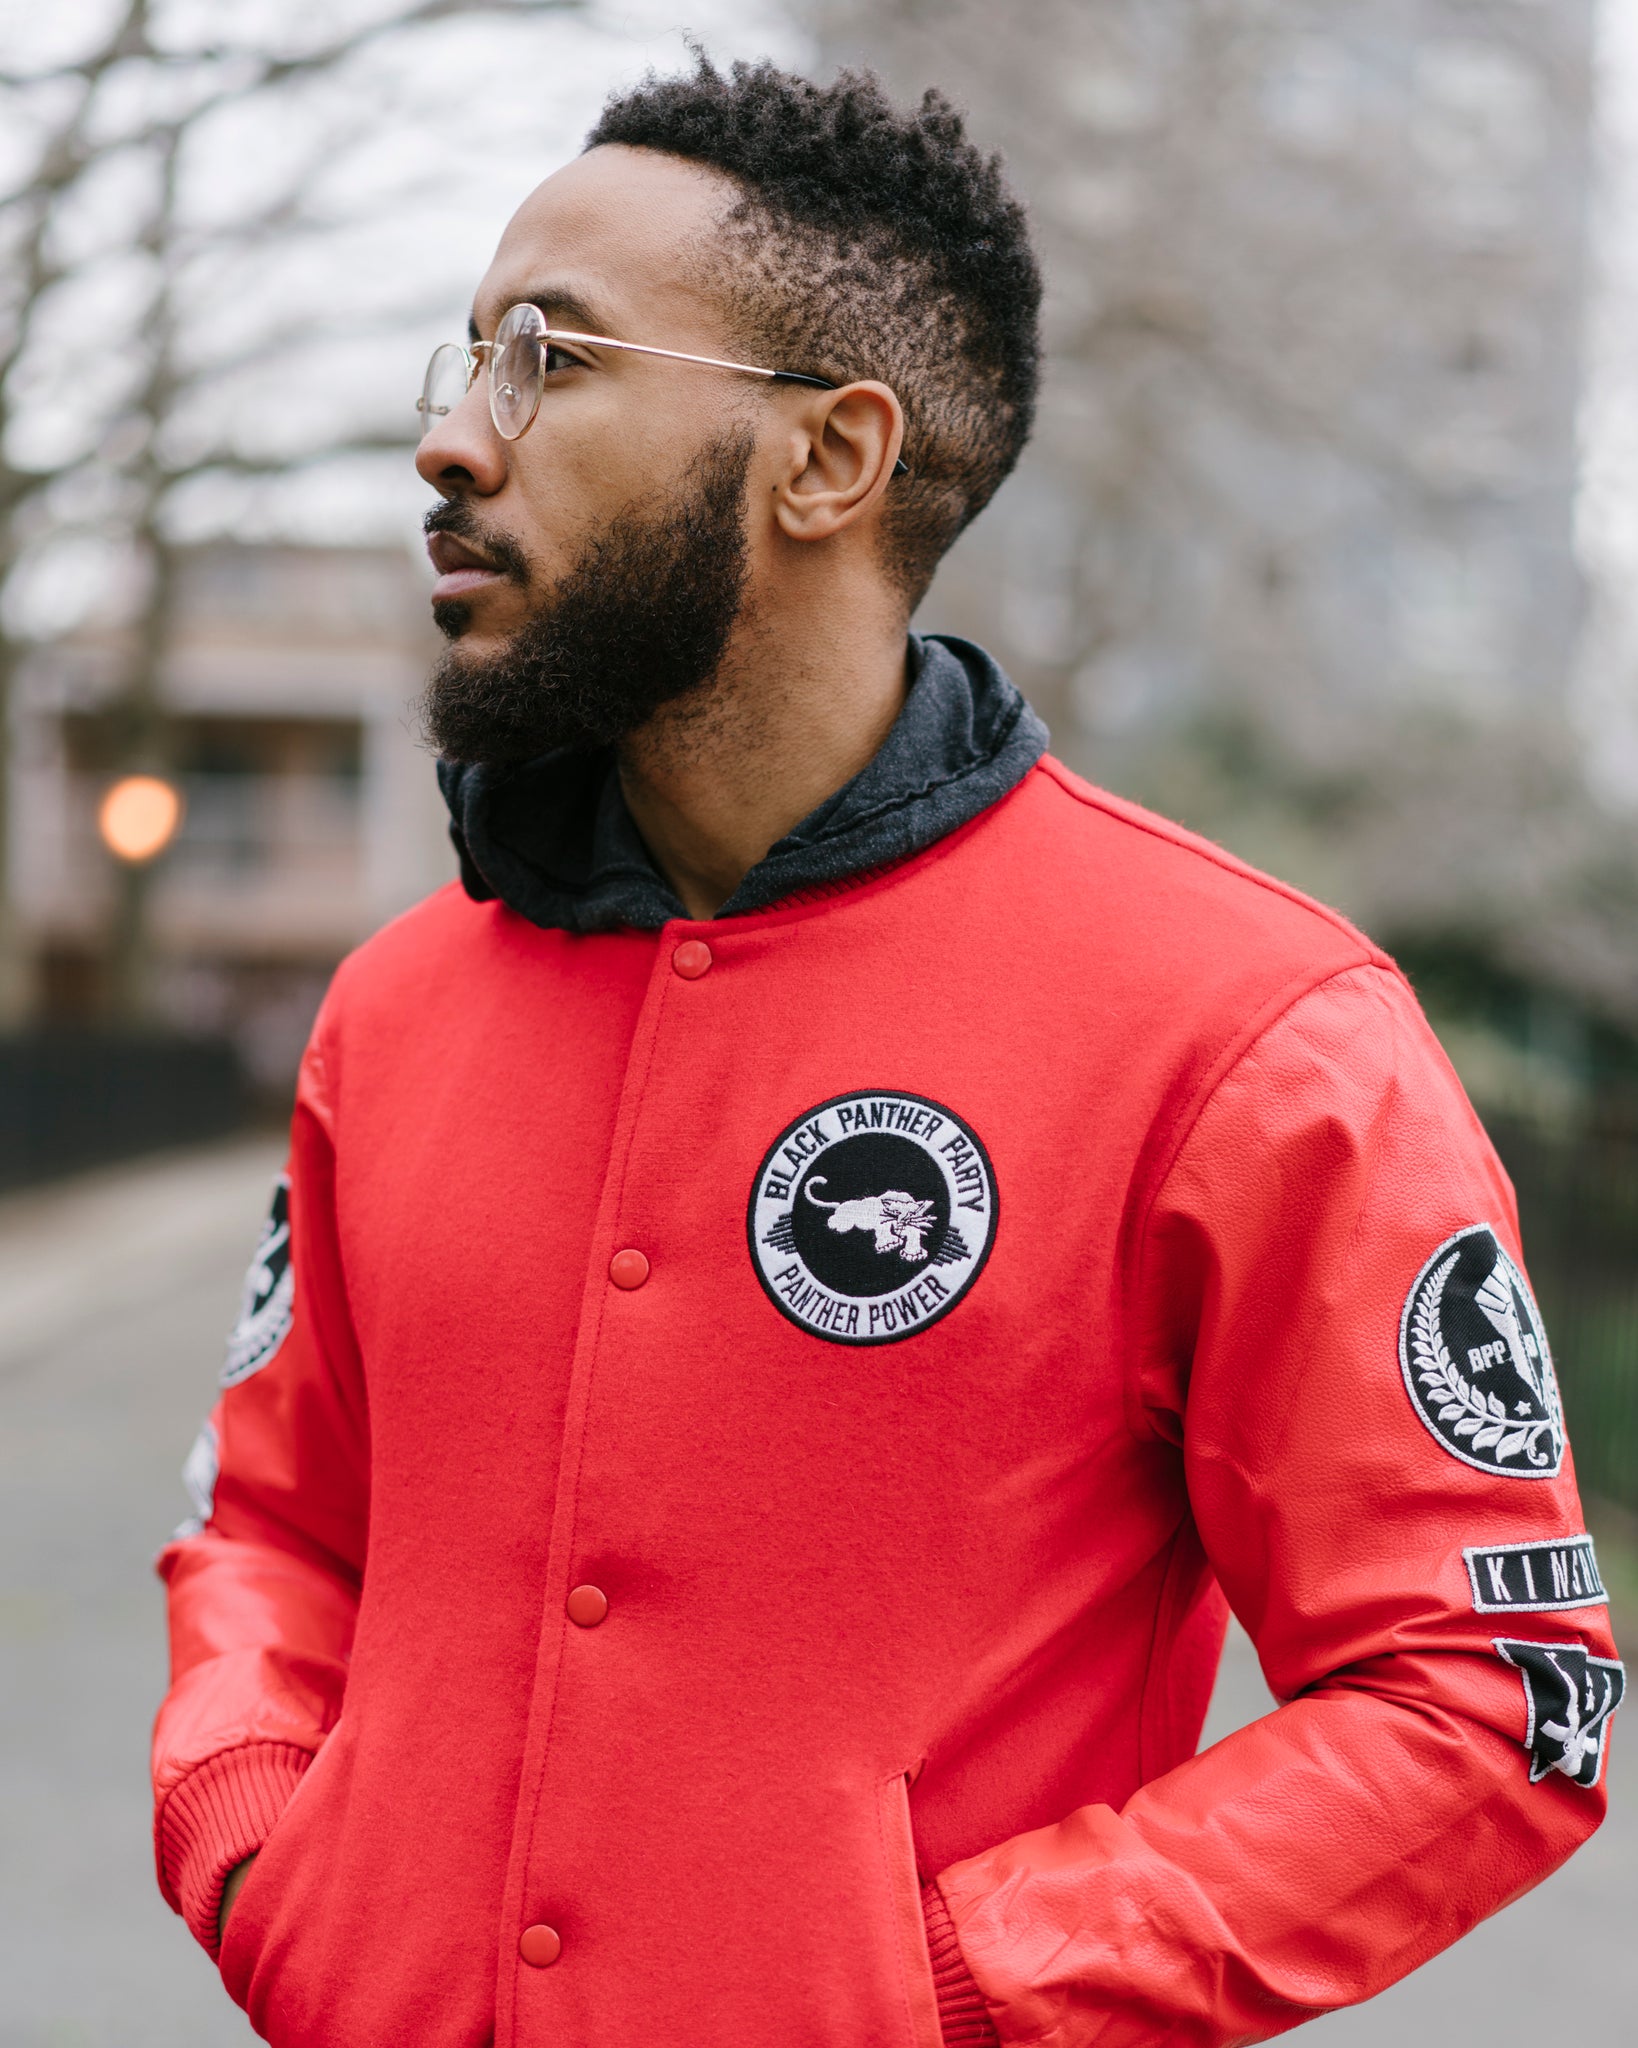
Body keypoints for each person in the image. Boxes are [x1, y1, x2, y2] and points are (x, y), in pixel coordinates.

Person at [151, 57, 1622, 2048]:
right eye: (464, 355)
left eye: (548, 358)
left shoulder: (1258, 1032)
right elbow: (273, 1528)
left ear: (830, 462)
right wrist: (259, 1847)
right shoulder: (394, 1010)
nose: (447, 439)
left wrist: (943, 1989)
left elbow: (1494, 1692)